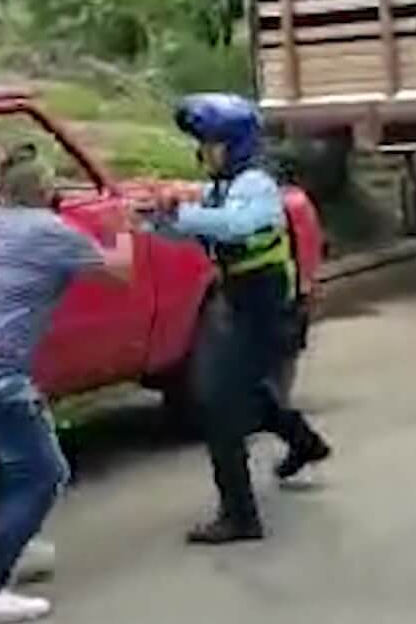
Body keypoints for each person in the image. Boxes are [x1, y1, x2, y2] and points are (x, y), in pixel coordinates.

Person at [0, 151, 134, 624]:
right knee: (44, 472)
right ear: (46, 193)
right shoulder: (50, 233)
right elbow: (121, 273)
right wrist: (122, 226)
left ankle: (19, 546)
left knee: (16, 459)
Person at [150, 93, 331, 545]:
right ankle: (305, 443)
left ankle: (240, 515)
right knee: (245, 389)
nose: (203, 152)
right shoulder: (223, 184)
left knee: (219, 406)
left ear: (235, 144)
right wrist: (158, 221)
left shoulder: (255, 186)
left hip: (267, 307)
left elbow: (234, 226)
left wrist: (186, 215)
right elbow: (203, 227)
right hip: (240, 301)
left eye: (211, 143)